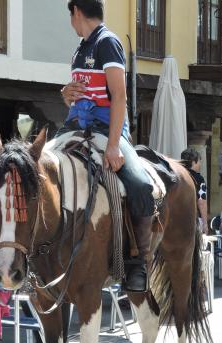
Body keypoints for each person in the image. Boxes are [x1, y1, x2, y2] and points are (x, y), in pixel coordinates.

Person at [59, 0, 154, 292]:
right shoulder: (80, 49)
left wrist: (113, 146)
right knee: (40, 168)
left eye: (70, 16)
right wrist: (66, 94)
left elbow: (119, 96)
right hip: (75, 126)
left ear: (76, 11)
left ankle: (138, 262)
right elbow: (80, 95)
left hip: (105, 129)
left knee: (140, 185)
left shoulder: (108, 43)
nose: (71, 24)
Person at [181, 147, 208, 234]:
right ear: (193, 162)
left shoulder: (176, 175)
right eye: (199, 161)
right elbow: (202, 202)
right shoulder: (199, 179)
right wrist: (205, 223)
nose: (200, 164)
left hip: (175, 217)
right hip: (193, 218)